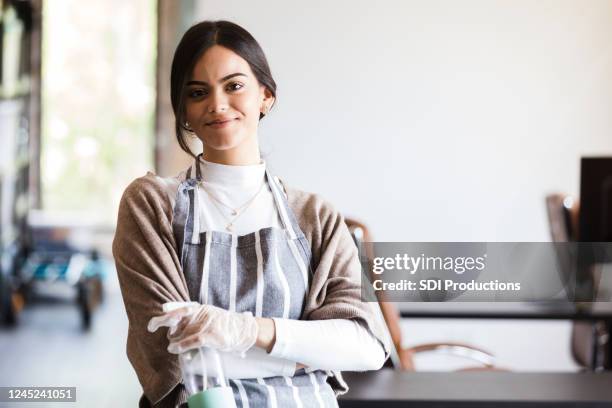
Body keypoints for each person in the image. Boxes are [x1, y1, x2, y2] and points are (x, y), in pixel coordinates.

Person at [112, 20, 390, 408]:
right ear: (184, 112)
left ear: (266, 96)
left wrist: (245, 330)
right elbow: (171, 354)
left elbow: (366, 346)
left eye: (234, 85)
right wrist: (306, 355)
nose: (218, 104)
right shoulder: (151, 204)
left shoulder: (315, 216)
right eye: (198, 92)